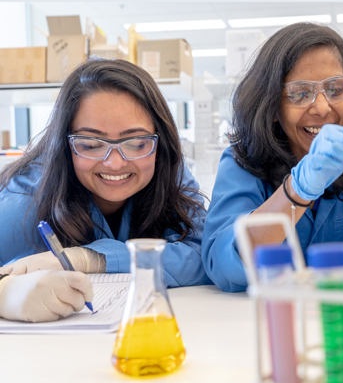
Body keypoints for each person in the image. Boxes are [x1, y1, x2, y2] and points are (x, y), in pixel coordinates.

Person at [0, 58, 210, 322]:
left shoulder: (166, 169)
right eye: (90, 144)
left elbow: (205, 255)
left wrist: (93, 258)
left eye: (136, 142)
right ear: (64, 144)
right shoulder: (22, 198)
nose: (115, 163)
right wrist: (6, 295)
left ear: (160, 140)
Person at [202, 22, 343, 292]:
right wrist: (297, 191)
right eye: (300, 93)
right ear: (272, 105)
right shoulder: (242, 162)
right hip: (270, 317)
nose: (322, 108)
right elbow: (222, 263)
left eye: (335, 88)